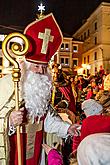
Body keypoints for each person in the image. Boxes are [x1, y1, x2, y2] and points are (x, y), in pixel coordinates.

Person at [0, 13, 75, 165]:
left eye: (44, 66)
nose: (41, 71)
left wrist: (68, 129)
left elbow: (48, 121)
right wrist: (9, 122)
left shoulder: (42, 89)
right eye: (36, 66)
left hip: (37, 153)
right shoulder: (7, 85)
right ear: (26, 66)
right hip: (13, 153)